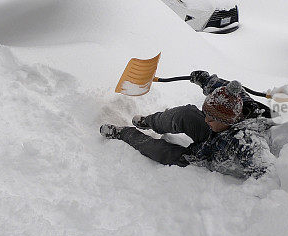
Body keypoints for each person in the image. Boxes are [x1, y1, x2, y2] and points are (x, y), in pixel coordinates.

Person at [100, 71, 277, 179]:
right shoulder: (241, 103)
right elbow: (228, 88)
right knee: (187, 114)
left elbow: (268, 173)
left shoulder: (246, 142)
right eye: (206, 114)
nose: (206, 120)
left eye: (211, 118)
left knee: (163, 151)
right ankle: (149, 122)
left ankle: (125, 134)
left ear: (227, 121)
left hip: (205, 157)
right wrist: (205, 79)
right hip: (215, 137)